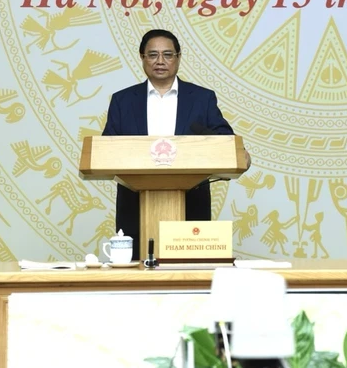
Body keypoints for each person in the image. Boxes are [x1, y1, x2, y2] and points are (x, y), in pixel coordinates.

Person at [102, 29, 250, 260]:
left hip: (192, 200)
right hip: (135, 203)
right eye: (153, 55)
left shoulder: (202, 98)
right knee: (138, 278)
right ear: (142, 57)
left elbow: (223, 137)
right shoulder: (122, 100)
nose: (160, 61)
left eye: (168, 54)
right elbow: (107, 148)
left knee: (190, 276)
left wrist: (238, 153)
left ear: (178, 58)